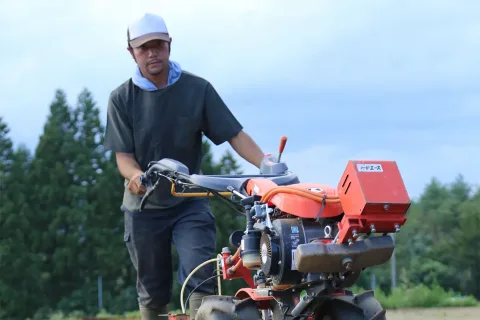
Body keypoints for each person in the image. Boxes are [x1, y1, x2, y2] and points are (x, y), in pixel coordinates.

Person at [103, 12, 266, 320]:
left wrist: (266, 163)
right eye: (144, 48)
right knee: (152, 290)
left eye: (158, 45)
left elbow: (234, 134)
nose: (152, 53)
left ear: (169, 45)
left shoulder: (197, 89)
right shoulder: (121, 98)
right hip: (143, 208)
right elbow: (123, 158)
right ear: (131, 52)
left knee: (200, 275)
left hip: (189, 201)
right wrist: (136, 175)